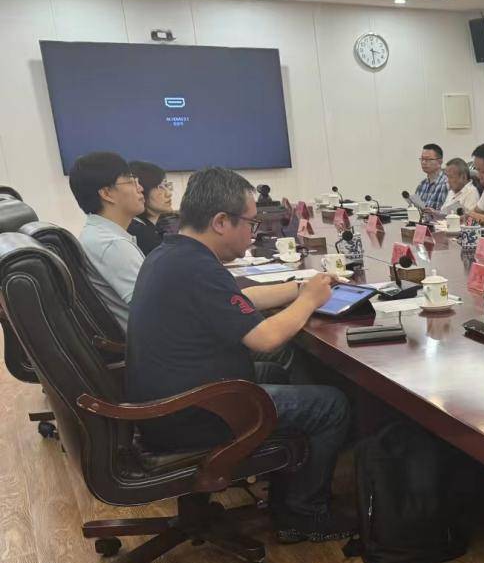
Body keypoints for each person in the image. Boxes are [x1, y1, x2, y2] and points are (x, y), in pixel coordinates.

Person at [126, 167, 354, 542]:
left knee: (280, 374)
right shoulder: (196, 267)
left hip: (174, 400)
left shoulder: (174, 254)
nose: (253, 232)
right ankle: (304, 515)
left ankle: (284, 490)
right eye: (250, 223)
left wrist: (300, 288)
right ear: (220, 222)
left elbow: (237, 298)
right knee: (332, 405)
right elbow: (265, 339)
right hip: (193, 412)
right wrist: (311, 301)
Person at [69, 151, 147, 330]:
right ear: (107, 193)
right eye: (130, 181)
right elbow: (156, 307)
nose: (140, 188)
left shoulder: (97, 234)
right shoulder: (112, 244)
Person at [127, 161, 176, 255]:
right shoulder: (140, 234)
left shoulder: (158, 228)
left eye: (166, 185)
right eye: (159, 187)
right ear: (140, 190)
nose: (168, 193)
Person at [411, 143, 448, 213]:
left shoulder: (447, 183)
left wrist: (435, 213)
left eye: (428, 159)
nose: (423, 162)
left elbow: (450, 213)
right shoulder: (422, 185)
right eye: (422, 159)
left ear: (440, 161)